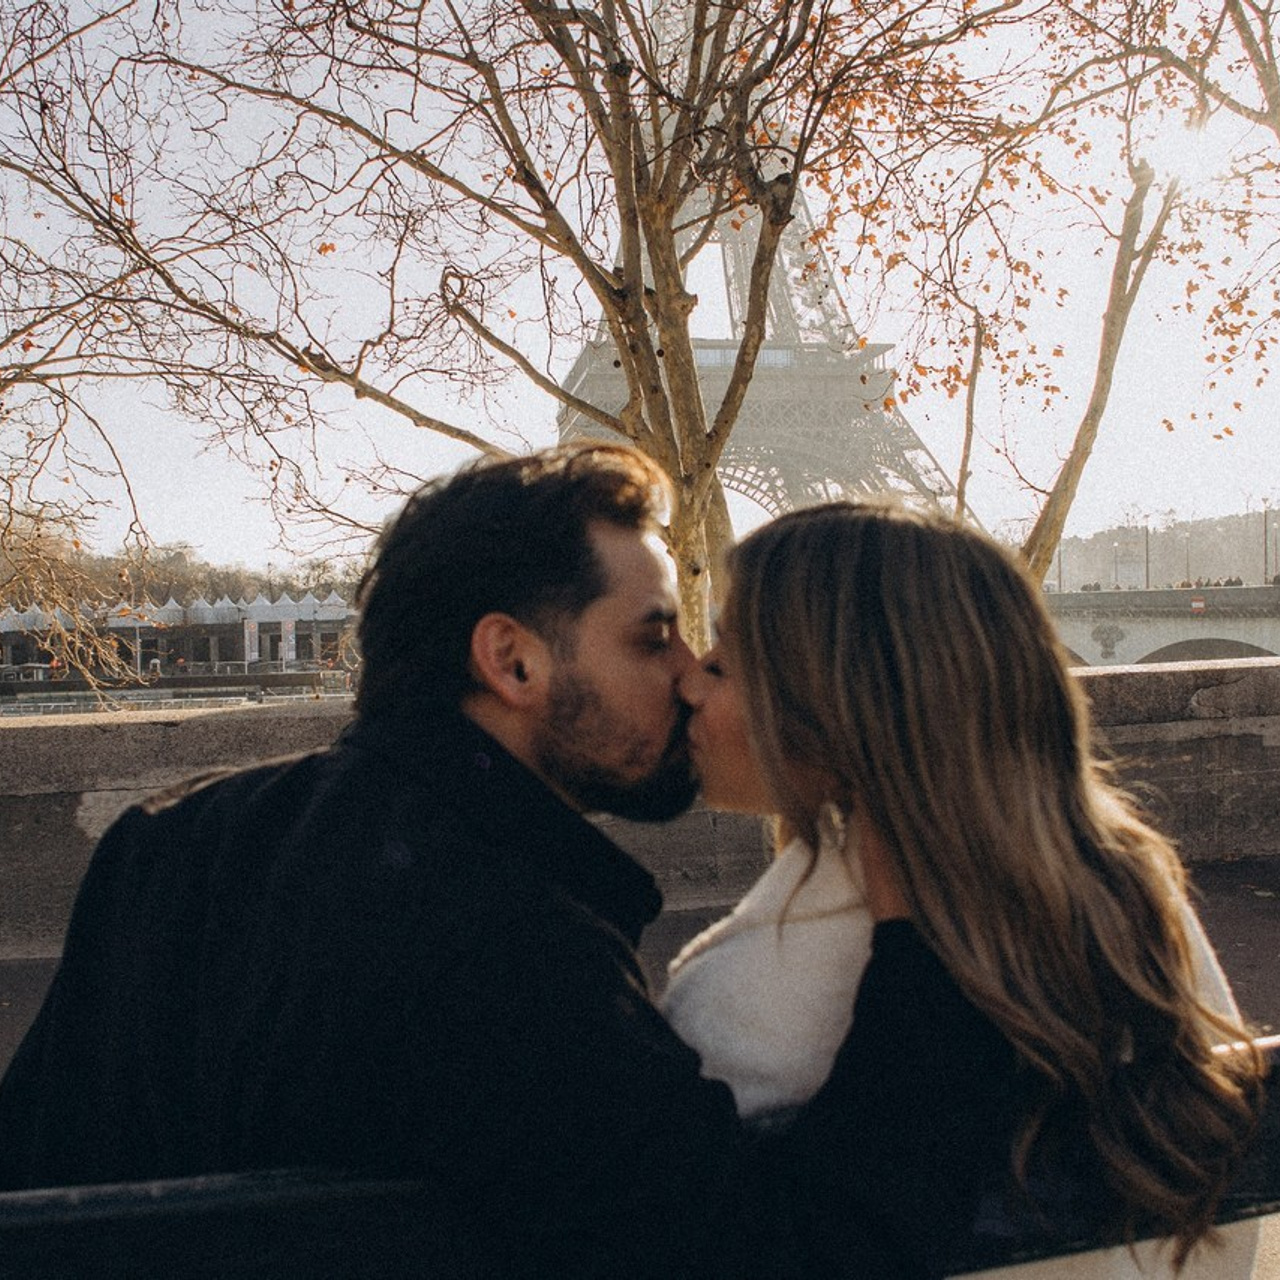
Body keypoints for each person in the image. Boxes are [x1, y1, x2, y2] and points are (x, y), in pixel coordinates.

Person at [0, 444, 753, 1276]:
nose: (690, 674)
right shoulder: (520, 951)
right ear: (512, 660)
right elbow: (752, 1239)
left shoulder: (169, 838)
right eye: (654, 638)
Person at [665, 500, 1266, 1279]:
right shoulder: (1129, 897)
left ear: (829, 706)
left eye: (722, 661)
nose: (690, 687)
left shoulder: (746, 997)